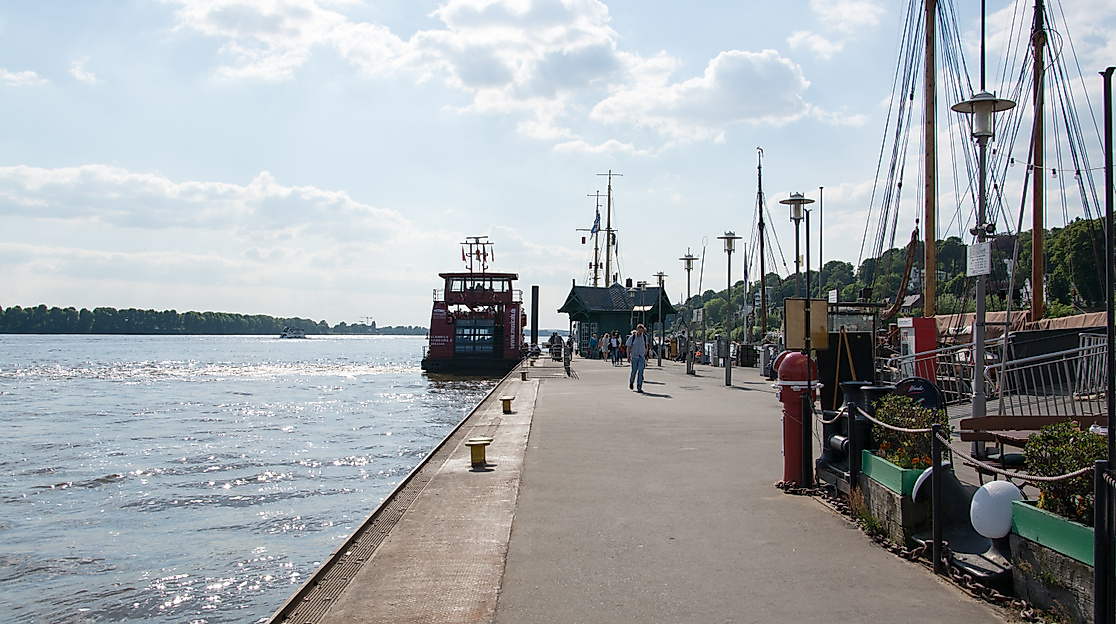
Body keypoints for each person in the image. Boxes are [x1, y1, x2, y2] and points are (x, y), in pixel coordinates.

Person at [625, 323, 650, 392]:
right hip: (634, 356)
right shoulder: (632, 337)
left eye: (642, 330)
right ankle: (631, 382)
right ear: (637, 330)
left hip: (641, 356)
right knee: (634, 371)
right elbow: (628, 347)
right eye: (639, 330)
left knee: (641, 371)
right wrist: (628, 356)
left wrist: (646, 352)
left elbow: (646, 345)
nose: (640, 332)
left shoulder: (644, 337)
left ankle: (639, 387)